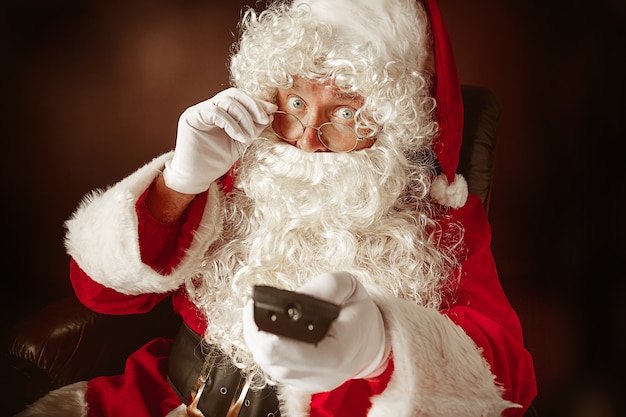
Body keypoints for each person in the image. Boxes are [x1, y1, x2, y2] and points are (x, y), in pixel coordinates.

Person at [16, 0, 537, 416]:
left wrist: (379, 346)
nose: (307, 138)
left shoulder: (436, 215)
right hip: (163, 401)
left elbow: (504, 377)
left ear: (389, 120)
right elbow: (98, 292)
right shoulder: (240, 163)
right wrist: (178, 183)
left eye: (345, 114)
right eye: (294, 104)